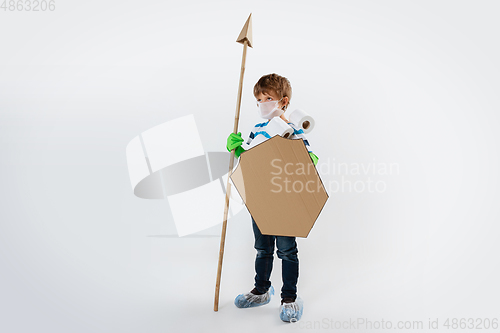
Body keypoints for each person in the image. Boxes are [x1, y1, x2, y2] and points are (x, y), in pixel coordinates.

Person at [226, 73, 318, 322]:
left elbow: (306, 161)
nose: (263, 102)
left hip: (285, 199)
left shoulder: (295, 129)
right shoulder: (257, 129)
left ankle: (289, 297)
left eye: (268, 97)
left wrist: (301, 151)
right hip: (261, 198)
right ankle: (262, 291)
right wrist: (238, 149)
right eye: (259, 98)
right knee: (262, 248)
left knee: (287, 251)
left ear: (283, 101)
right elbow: (250, 161)